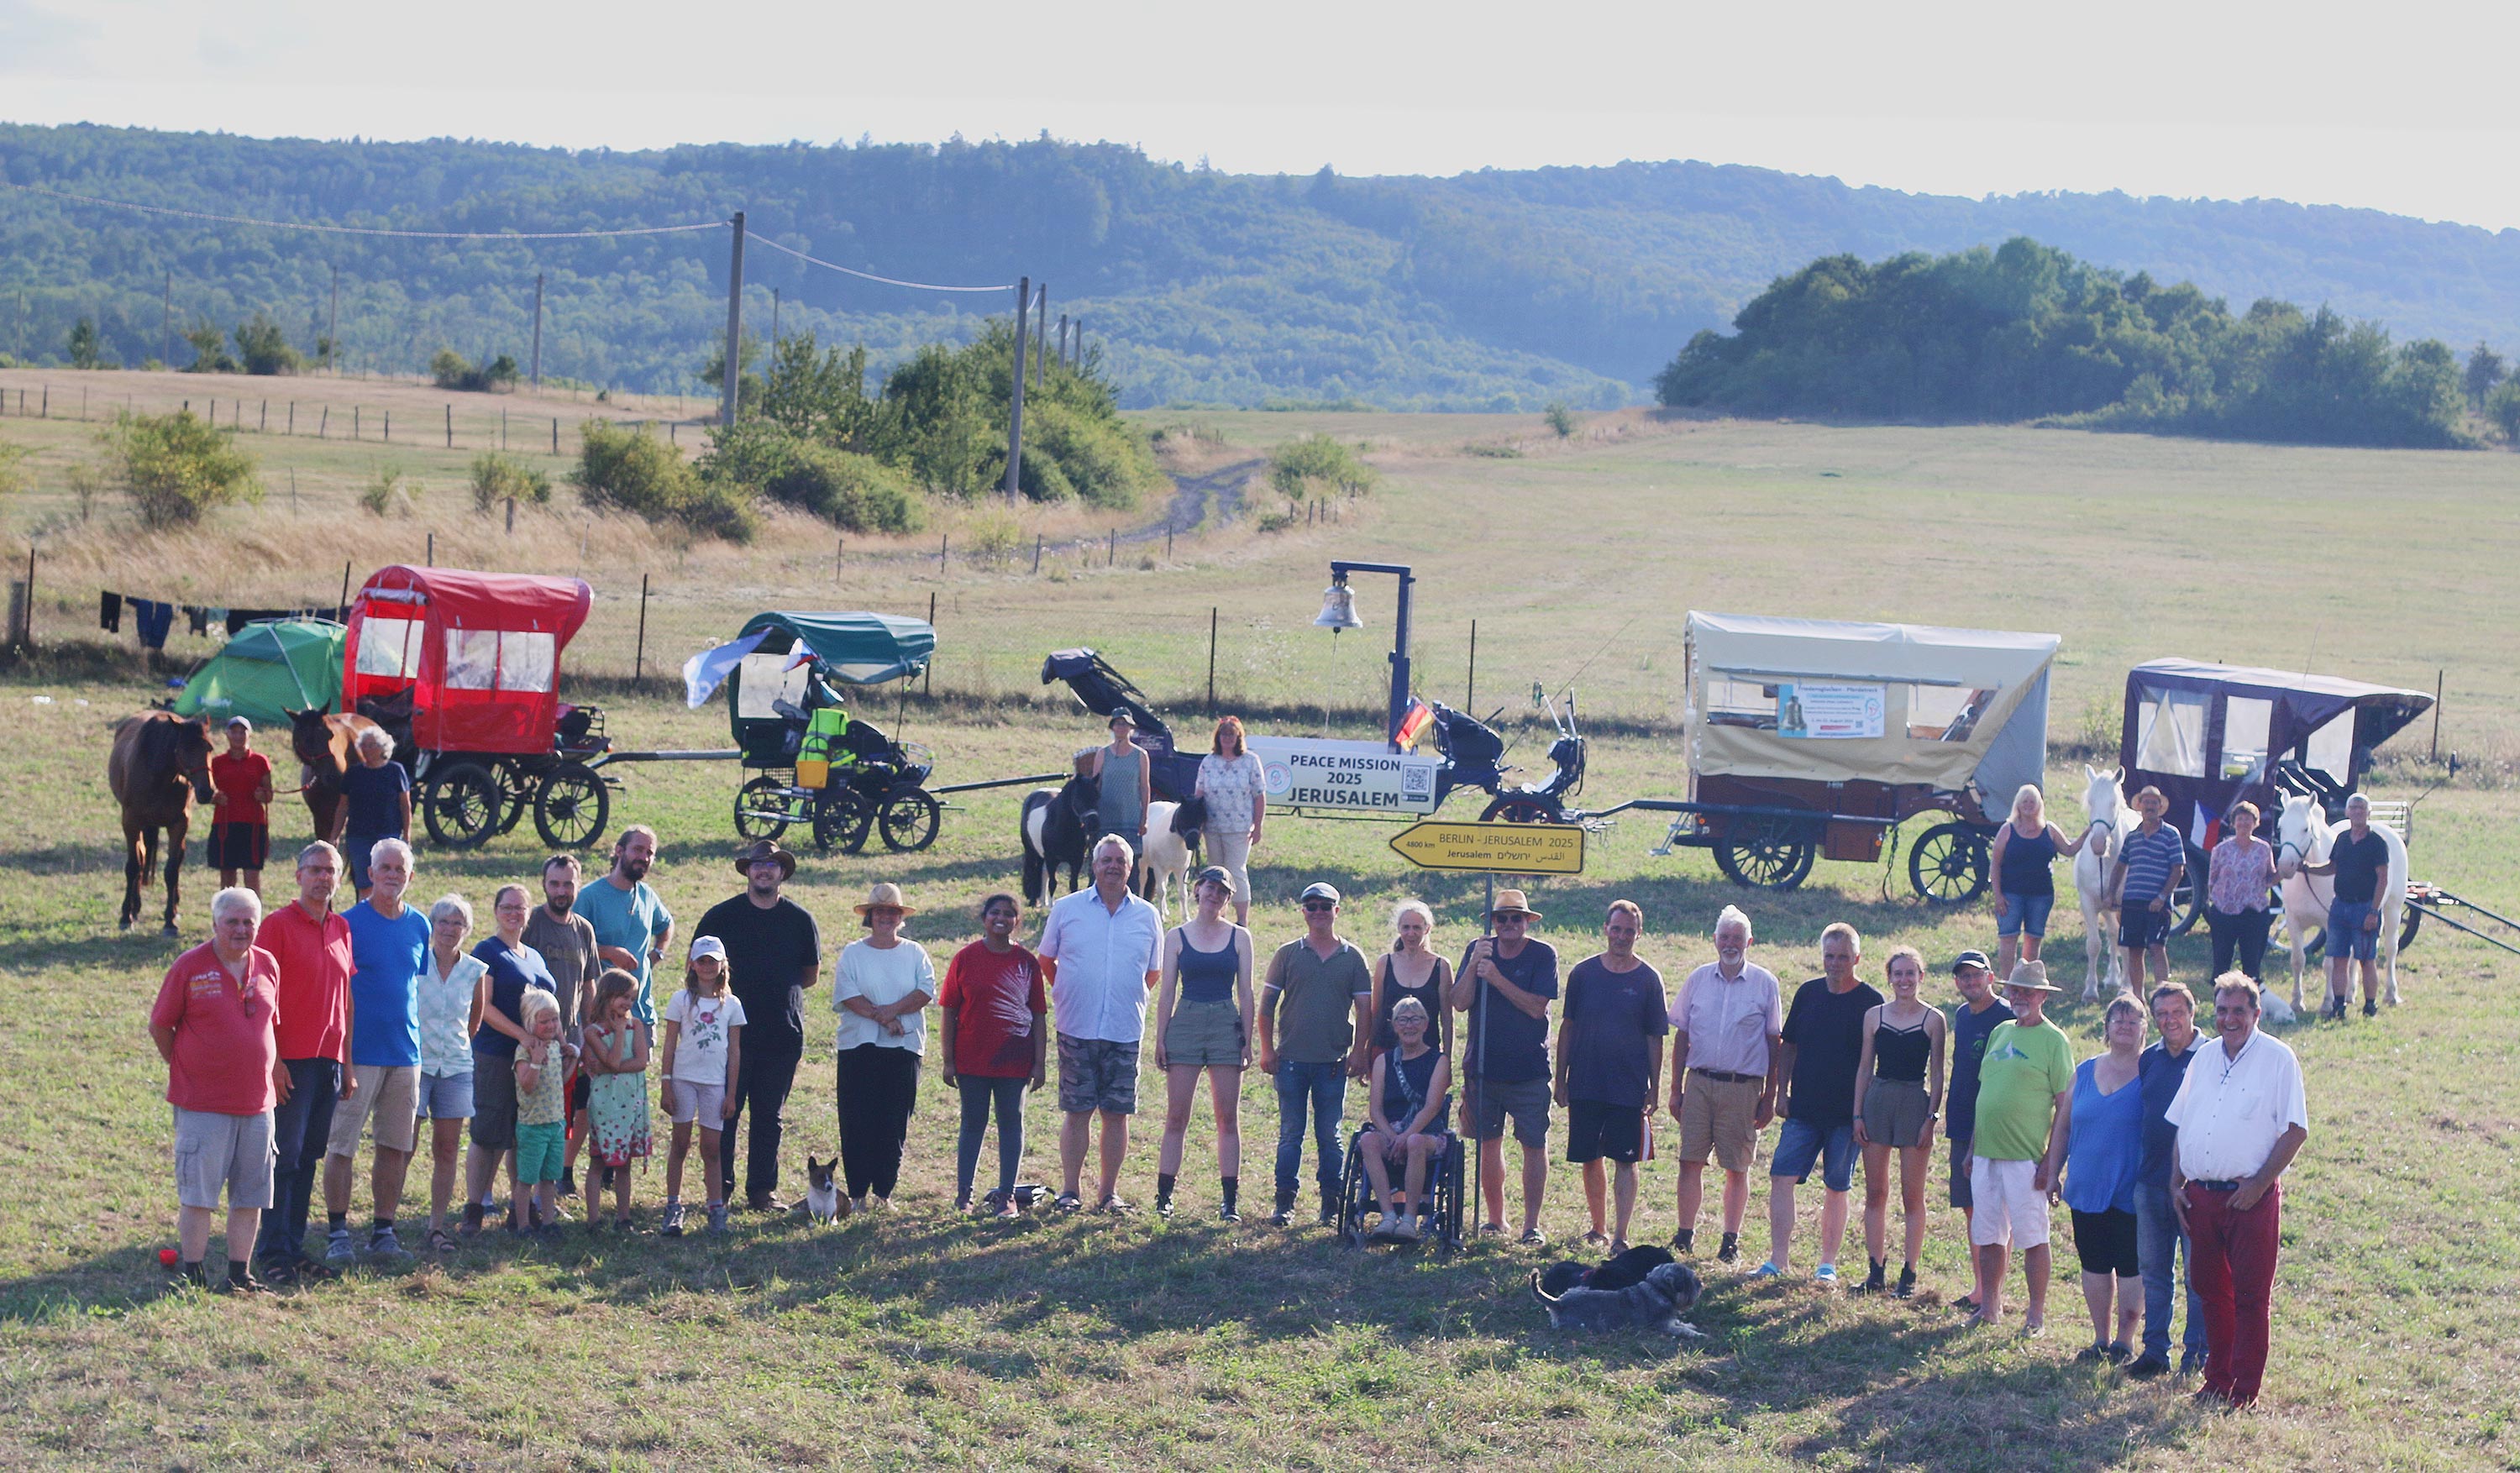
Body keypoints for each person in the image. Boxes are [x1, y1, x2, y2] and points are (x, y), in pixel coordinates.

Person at [2166, 975, 2310, 1411]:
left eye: (2239, 1011)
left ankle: (2244, 1390)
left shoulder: (2278, 1059)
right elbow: (2181, 1123)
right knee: (2210, 1290)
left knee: (2250, 1294)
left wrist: (2260, 1184)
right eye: (2223, 1010)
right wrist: (2176, 1182)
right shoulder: (2204, 1057)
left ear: (2256, 1014)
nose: (2230, 1019)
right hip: (2200, 1198)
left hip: (2249, 1198)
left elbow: (2296, 1130)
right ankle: (2217, 1380)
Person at [150, 887, 283, 1292]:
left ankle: (239, 1273)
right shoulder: (189, 966)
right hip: (202, 1104)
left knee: (251, 1195)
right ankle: (193, 1271)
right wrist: (188, 1066)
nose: (241, 930)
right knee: (198, 1194)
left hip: (258, 1105)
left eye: (249, 922)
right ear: (214, 924)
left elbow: (270, 1024)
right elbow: (160, 1025)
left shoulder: (269, 965)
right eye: (232, 922)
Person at [1036, 835, 1164, 1213]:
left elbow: (1153, 971)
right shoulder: (1067, 908)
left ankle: (1108, 1193)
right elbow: (1046, 960)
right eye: (1106, 860)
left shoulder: (1147, 915)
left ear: (1131, 868)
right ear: (1094, 866)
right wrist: (1068, 992)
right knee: (1077, 1113)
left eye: (1120, 861)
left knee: (1116, 1114)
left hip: (1124, 1030)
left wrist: (1127, 997)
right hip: (1077, 1025)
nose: (1112, 866)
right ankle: (1070, 1191)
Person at [320, 837, 430, 1265]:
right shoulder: (346, 924)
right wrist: (342, 1057)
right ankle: (337, 1231)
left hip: (406, 1055)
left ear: (410, 877)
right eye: (384, 867)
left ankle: (383, 1230)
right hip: (357, 1054)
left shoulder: (420, 925)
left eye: (399, 869)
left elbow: (411, 985)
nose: (391, 875)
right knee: (342, 1145)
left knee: (395, 1146)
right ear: (370, 873)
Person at [696, 839, 821, 1212]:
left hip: (782, 1035)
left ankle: (762, 1191)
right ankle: (722, 1190)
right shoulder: (721, 918)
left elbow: (809, 974)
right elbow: (698, 968)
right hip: (729, 1035)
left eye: (772, 865)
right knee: (726, 1114)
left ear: (782, 873)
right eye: (757, 864)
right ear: (747, 871)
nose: (764, 870)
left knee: (770, 1117)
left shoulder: (800, 920)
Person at [251, 841, 354, 1286]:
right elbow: (258, 998)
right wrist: (271, 1060)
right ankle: (271, 1251)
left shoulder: (343, 929)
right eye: (314, 870)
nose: (322, 878)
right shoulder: (275, 926)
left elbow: (346, 1001)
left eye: (330, 871)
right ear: (298, 876)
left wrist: (346, 1064)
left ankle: (293, 1249)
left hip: (327, 1063)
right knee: (284, 1158)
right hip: (288, 1061)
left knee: (310, 1155)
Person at [1757, 922, 1883, 1281]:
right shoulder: (1808, 994)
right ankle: (1777, 1260)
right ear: (1822, 956)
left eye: (1843, 957)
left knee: (1836, 1185)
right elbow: (1789, 1045)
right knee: (1781, 1175)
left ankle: (1827, 1264)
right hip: (1804, 1109)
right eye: (1830, 956)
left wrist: (1863, 1112)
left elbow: (1874, 1061)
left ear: (1857, 958)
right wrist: (1781, 1093)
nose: (1836, 963)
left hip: (1847, 1115)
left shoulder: (1871, 1003)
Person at [1966, 960, 2076, 1334]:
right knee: (1989, 1234)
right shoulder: (1999, 1032)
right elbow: (1986, 1093)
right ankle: (1990, 1308)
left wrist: (2052, 1161)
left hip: (2026, 1157)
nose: (2019, 997)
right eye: (2015, 990)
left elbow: (2066, 1105)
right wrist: (1971, 1149)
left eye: (2028, 991)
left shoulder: (2054, 1040)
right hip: (1986, 1153)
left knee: (2033, 1237)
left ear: (2043, 996)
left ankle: (2035, 1316)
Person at [1667, 904, 1782, 1264]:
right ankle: (1685, 1235)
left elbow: (1774, 1042)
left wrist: (1770, 1096)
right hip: (1699, 1082)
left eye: (1737, 938)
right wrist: (1674, 1088)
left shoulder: (1765, 984)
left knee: (1737, 1167)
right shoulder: (1697, 979)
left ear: (1749, 941)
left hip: (1743, 1087)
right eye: (1724, 937)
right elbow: (1682, 1035)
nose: (1730, 944)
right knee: (1690, 1160)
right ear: (1714, 940)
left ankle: (1730, 1240)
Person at [1257, 882, 1373, 1228]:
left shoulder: (1353, 957)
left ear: (1337, 911)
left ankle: (1331, 1205)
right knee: (1291, 1134)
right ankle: (1284, 1204)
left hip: (1334, 1064)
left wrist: (1360, 1053)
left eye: (1326, 906)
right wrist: (1266, 1049)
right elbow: (1265, 1008)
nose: (1319, 912)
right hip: (1290, 1061)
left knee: (1329, 1135)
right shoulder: (1287, 954)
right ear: (1303, 912)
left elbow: (1365, 1010)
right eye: (1312, 906)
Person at [1554, 899, 1667, 1253]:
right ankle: (1597, 1226)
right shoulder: (1584, 974)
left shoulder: (1649, 979)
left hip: (1628, 1085)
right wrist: (1561, 1078)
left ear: (1639, 933)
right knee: (1590, 1156)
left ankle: (1621, 1235)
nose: (1621, 937)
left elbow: (1655, 1037)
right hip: (1586, 1080)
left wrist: (1655, 1087)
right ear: (1605, 929)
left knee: (1626, 1159)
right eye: (1616, 929)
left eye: (1629, 931)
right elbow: (1567, 1027)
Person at [1449, 889, 1559, 1245]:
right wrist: (1473, 966)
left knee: (1534, 1145)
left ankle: (1531, 1225)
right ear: (1493, 922)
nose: (1509, 924)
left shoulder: (1543, 955)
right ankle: (1496, 1220)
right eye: (1502, 918)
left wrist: (1495, 977)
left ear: (1527, 921)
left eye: (1516, 918)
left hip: (1529, 1070)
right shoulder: (1477, 949)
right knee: (1488, 1144)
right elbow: (1460, 1002)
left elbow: (1535, 1007)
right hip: (1483, 1067)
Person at [571, 827, 672, 1198]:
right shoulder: (592, 896)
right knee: (591, 1093)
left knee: (628, 1090)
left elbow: (666, 924)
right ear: (619, 851)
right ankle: (570, 1169)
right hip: (600, 1012)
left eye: (650, 852)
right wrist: (609, 952)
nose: (643, 857)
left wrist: (658, 952)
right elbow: (575, 939)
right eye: (637, 850)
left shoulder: (647, 896)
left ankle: (617, 1167)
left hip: (638, 1011)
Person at [1152, 867, 1257, 1219]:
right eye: (1209, 888)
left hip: (1226, 1024)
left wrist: (1247, 1039)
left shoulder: (1240, 937)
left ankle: (1230, 1201)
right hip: (1187, 1021)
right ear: (1197, 890)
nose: (1214, 896)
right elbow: (1167, 991)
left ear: (1228, 899)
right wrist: (1161, 1037)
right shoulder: (1177, 936)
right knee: (1176, 1116)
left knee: (1228, 1117)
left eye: (1222, 892)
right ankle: (1164, 1197)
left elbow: (1246, 991)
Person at [938, 895, 1048, 1218]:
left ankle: (1007, 1196)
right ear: (984, 918)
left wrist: (1039, 1062)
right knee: (972, 1123)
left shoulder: (1026, 962)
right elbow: (949, 1011)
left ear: (1018, 920)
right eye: (995, 913)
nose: (1001, 919)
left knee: (1011, 1123)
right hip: (972, 1058)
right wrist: (948, 1059)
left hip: (1015, 1059)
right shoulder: (965, 958)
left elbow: (1039, 1015)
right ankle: (964, 1195)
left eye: (1009, 914)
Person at [831, 883, 935, 1214]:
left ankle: (884, 1193)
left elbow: (925, 992)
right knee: (857, 1119)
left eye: (893, 912)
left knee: (894, 1121)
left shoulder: (915, 952)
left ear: (901, 917)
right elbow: (848, 994)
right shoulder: (853, 952)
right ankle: (858, 1193)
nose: (886, 917)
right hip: (858, 1046)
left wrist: (889, 1014)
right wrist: (885, 1019)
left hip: (904, 1047)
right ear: (870, 917)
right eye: (880, 912)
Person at [1851, 946, 1947, 1297]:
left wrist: (1931, 1117)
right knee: (1876, 1192)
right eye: (1898, 973)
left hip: (1913, 1102)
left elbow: (1937, 1073)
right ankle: (1876, 1270)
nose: (1904, 980)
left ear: (1921, 977)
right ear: (1889, 977)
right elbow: (1864, 1067)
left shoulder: (1933, 1019)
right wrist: (1858, 1113)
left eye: (1911, 973)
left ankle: (1909, 1273)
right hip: (1878, 1100)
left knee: (1913, 1195)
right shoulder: (1874, 1016)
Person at [2060, 993, 2149, 1363]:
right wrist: (2051, 1172)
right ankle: (2101, 1338)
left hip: (2133, 1189)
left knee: (2130, 1265)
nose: (2124, 1027)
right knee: (2093, 1262)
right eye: (2118, 1020)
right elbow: (2062, 1126)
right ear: (2106, 1028)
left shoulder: (2153, 1072)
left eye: (2133, 1021)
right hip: (2087, 1184)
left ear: (2145, 1029)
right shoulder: (2084, 1070)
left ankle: (2125, 1342)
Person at [2128, 982, 2209, 1379]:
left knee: (2198, 1277)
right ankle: (2155, 1352)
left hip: (2196, 1187)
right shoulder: (2149, 1059)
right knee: (2154, 1274)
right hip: (2150, 1181)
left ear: (2192, 1014)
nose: (2169, 1020)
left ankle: (2196, 1356)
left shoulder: (2211, 1057)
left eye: (2177, 1012)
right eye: (2161, 1014)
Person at [521, 853, 601, 1201]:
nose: (561, 890)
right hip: (538, 1043)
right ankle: (526, 1195)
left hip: (571, 1042)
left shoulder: (584, 929)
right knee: (535, 1121)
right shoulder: (532, 923)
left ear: (578, 886)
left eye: (568, 883)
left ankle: (558, 1180)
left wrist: (588, 1036)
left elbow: (590, 986)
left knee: (570, 1114)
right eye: (554, 883)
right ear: (544, 884)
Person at [412, 894, 486, 1253]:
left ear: (466, 929)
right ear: (431, 925)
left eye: (457, 923)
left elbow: (474, 1022)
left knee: (447, 1148)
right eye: (443, 921)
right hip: (415, 1064)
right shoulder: (416, 962)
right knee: (402, 1145)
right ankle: (386, 1223)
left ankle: (436, 1226)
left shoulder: (475, 970)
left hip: (456, 1066)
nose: (449, 929)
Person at [1943, 950, 2016, 1316]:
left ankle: (1995, 1294)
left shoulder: (2007, 1016)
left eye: (1977, 975)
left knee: (1997, 1211)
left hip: (1996, 1125)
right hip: (1961, 1122)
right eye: (1964, 977)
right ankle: (1980, 1289)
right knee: (1971, 1208)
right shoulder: (1961, 1015)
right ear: (1957, 982)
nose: (1971, 982)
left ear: (1991, 977)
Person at [659, 936, 745, 1238]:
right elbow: (670, 1045)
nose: (707, 967)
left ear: (722, 966)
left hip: (714, 1084)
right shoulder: (680, 1000)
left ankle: (715, 1207)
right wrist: (666, 1084)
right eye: (702, 961)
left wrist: (731, 1093)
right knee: (680, 1144)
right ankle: (673, 1206)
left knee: (712, 1149)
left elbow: (734, 1052)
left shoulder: (732, 1005)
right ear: (692, 965)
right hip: (683, 1079)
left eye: (713, 961)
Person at [1358, 997, 1452, 1241]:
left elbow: (1433, 1106)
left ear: (1426, 1025)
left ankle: (1409, 1220)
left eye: (1415, 1019)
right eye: (1403, 1020)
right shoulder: (1383, 1061)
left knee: (1415, 1143)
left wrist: (1407, 1135)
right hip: (1391, 1130)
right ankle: (1388, 1215)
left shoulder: (1439, 1061)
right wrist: (1393, 1137)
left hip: (1427, 1132)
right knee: (1367, 1141)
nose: (1409, 1026)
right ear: (1395, 1026)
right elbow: (1375, 1110)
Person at [2297, 793, 2390, 1020]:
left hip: (2364, 907)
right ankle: (2339, 1005)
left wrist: (2374, 911)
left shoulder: (2377, 843)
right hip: (2340, 907)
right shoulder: (2342, 840)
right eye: (2353, 808)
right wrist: (2307, 868)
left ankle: (2369, 1005)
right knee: (2338, 958)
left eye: (2361, 808)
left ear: (2368, 813)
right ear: (2347, 812)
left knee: (2367, 960)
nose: (2357, 812)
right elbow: (2332, 867)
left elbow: (2383, 878)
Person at [1987, 784, 2089, 978]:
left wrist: (2089, 832)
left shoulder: (2049, 830)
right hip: (2010, 895)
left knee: (2033, 939)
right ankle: (2009, 984)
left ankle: (2026, 982)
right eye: (2024, 801)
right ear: (2018, 804)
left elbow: (2069, 850)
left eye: (2032, 802)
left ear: (2039, 805)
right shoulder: (2007, 830)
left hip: (2041, 895)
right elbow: (1995, 864)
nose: (2028, 805)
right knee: (2008, 938)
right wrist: (1998, 895)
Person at [580, 969, 654, 1231]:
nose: (628, 1003)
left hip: (631, 1100)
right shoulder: (593, 1031)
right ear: (607, 995)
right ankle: (593, 1219)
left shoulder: (637, 1025)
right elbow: (612, 1060)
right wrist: (619, 1034)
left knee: (624, 1164)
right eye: (623, 997)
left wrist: (612, 1067)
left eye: (632, 999)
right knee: (598, 1161)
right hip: (605, 1104)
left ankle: (624, 1218)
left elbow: (641, 1061)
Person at [2109, 785, 2187, 996]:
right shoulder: (2133, 837)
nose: (2150, 806)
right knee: (2134, 950)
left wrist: (2162, 897)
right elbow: (2119, 867)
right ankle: (2138, 995)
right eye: (2146, 802)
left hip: (2157, 903)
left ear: (2160, 807)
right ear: (2140, 806)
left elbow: (2178, 869)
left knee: (2156, 947)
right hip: (2132, 901)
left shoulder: (2171, 834)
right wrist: (2111, 893)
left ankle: (2163, 994)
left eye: (2154, 803)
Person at [511, 987, 574, 1235]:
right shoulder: (525, 1051)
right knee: (527, 1178)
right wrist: (536, 1060)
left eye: (554, 1020)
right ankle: (523, 1223)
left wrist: (573, 1059)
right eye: (544, 1021)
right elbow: (527, 1085)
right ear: (530, 1022)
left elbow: (560, 1079)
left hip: (555, 1123)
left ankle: (549, 1221)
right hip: (533, 1125)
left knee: (549, 1179)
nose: (550, 1026)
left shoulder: (555, 1048)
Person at [1193, 716, 1266, 925]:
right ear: (1218, 737)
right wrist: (1196, 825)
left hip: (1239, 828)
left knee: (1236, 871)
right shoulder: (1209, 762)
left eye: (1231, 734)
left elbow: (1259, 795)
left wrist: (1258, 825)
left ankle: (1242, 920)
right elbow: (1199, 794)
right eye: (1223, 734)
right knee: (1216, 873)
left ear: (1238, 737)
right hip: (1212, 828)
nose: (1227, 738)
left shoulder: (1250, 761)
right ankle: (1218, 918)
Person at [1368, 899, 1453, 1062]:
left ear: (1427, 929)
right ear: (1399, 929)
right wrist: (1367, 1053)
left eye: (1417, 928)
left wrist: (1446, 1060)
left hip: (1427, 1052)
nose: (1411, 933)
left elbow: (1447, 1018)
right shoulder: (1385, 963)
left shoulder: (1441, 966)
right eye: (1406, 927)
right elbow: (1376, 1013)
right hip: (1386, 1051)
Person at [2204, 802, 2276, 984]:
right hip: (2225, 912)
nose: (2244, 823)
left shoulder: (2264, 849)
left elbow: (2270, 878)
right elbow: (2211, 881)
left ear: (2256, 823)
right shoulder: (2221, 849)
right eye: (2240, 819)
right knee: (2221, 963)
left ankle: (2250, 1003)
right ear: (2233, 823)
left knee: (2252, 965)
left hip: (2254, 912)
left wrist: (2285, 872)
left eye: (2249, 820)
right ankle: (2220, 999)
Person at [334, 729, 411, 899]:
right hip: (359, 836)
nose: (366, 750)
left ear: (382, 748)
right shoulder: (353, 774)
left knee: (388, 882)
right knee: (364, 883)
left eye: (371, 746)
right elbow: (342, 807)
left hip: (388, 835)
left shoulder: (395, 771)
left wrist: (407, 834)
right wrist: (335, 835)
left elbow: (405, 805)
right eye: (363, 746)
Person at [207, 716, 276, 893]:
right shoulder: (216, 763)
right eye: (234, 731)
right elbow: (208, 793)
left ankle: (255, 919)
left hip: (253, 825)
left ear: (249, 734)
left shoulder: (260, 761)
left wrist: (262, 795)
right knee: (227, 877)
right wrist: (215, 798)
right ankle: (225, 917)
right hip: (225, 823)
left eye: (242, 731)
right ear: (227, 734)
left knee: (252, 877)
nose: (238, 736)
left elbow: (269, 794)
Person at [1089, 709, 1152, 848]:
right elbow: (1096, 786)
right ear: (1112, 727)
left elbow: (1144, 787)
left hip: (1130, 816)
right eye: (1118, 724)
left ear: (1130, 727)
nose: (1121, 728)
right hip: (1106, 816)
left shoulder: (1140, 755)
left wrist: (1144, 818)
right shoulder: (1102, 753)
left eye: (1125, 724)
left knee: (1130, 861)